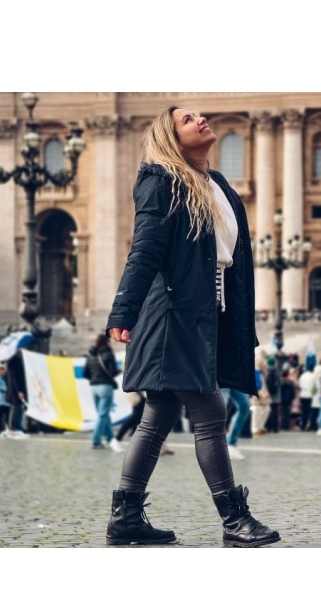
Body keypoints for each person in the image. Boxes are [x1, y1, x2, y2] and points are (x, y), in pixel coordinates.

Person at [104, 106, 280, 548]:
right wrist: (123, 312)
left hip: (204, 313)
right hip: (172, 314)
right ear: (171, 137)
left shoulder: (216, 184)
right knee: (210, 412)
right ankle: (234, 519)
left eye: (198, 115)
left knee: (158, 415)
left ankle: (126, 518)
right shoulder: (160, 181)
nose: (200, 119)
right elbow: (145, 251)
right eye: (187, 119)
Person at [83, 333, 123, 453]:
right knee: (103, 415)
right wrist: (120, 369)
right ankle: (95, 441)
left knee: (103, 415)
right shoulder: (108, 353)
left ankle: (110, 437)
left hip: (94, 387)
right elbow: (113, 372)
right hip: (105, 387)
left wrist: (94, 378)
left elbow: (85, 373)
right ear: (106, 342)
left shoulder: (90, 355)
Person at [2, 349, 30, 439]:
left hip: (16, 389)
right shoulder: (14, 361)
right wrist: (19, 390)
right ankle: (11, 427)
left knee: (17, 408)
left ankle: (14, 427)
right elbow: (15, 378)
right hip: (15, 390)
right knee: (15, 407)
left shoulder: (14, 360)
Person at [220, 387, 250, 461]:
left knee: (244, 406)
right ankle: (217, 447)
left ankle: (231, 443)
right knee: (220, 408)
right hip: (220, 380)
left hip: (236, 380)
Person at [250, 356, 270, 436]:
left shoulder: (261, 372)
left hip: (262, 392)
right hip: (258, 392)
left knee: (265, 409)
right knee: (256, 410)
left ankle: (260, 426)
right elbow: (258, 384)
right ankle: (255, 428)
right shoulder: (256, 372)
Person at [298, 363, 316, 431]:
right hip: (310, 395)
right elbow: (314, 386)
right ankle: (311, 425)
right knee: (310, 411)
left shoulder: (302, 375)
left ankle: (303, 425)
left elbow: (299, 384)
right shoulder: (313, 376)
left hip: (303, 394)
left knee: (304, 410)